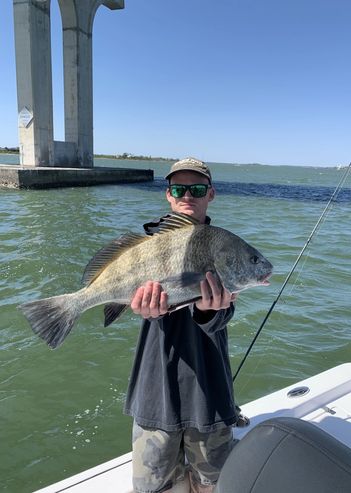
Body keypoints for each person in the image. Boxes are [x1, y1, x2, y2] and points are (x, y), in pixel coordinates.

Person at [125, 157, 238, 493]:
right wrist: (145, 307)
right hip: (154, 392)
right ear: (168, 195)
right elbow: (131, 286)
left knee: (213, 485)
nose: (188, 194)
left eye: (198, 188)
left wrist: (209, 311)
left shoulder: (222, 246)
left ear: (211, 194)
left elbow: (225, 311)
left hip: (209, 396)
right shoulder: (148, 245)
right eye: (179, 188)